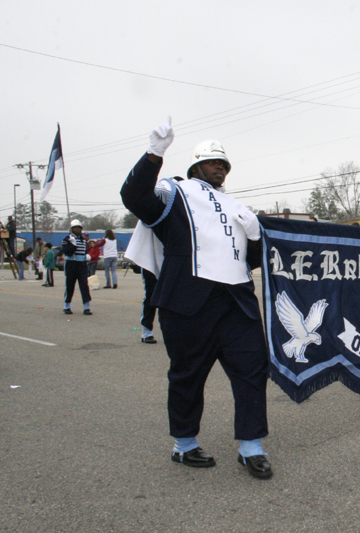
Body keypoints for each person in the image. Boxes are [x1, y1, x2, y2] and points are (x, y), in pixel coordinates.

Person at [121, 117, 272, 479]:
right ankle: (184, 445)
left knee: (253, 370)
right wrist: (154, 153)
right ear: (196, 166)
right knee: (188, 375)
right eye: (212, 162)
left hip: (237, 303)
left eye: (224, 163)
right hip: (188, 302)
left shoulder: (237, 205)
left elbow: (250, 261)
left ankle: (251, 446)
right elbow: (134, 198)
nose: (220, 167)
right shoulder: (174, 194)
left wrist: (254, 237)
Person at [62, 220, 92, 315]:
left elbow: (84, 250)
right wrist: (73, 245)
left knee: (84, 285)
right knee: (70, 285)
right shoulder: (67, 239)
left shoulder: (83, 240)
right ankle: (67, 306)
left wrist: (87, 255)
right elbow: (67, 252)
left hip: (82, 265)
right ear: (71, 229)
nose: (77, 229)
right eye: (75, 227)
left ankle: (86, 307)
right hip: (71, 263)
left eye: (79, 227)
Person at [140, 268, 158, 344]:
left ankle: (172, 332)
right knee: (151, 298)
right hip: (150, 266)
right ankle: (147, 333)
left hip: (168, 262)